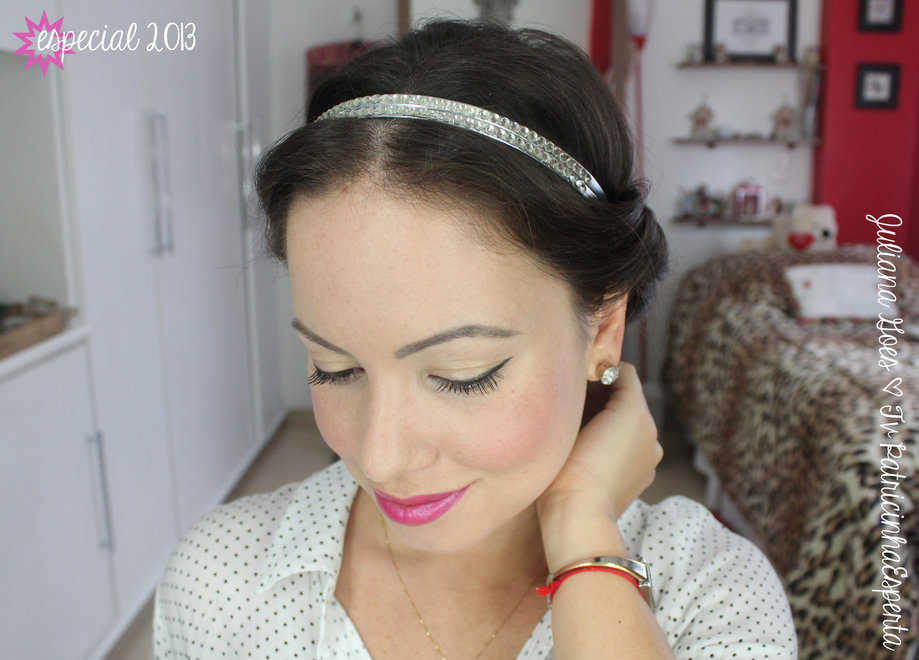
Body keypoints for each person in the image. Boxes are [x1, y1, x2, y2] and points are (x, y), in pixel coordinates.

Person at [153, 18, 798, 659]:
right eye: (334, 367)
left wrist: (583, 534)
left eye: (462, 374)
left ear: (603, 328)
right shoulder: (221, 582)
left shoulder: (713, 595)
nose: (380, 458)